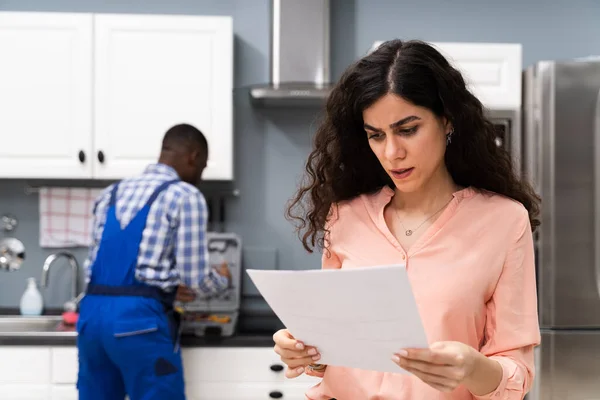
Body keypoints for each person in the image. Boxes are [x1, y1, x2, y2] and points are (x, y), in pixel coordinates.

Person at [273, 39, 541, 400]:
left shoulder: (504, 221)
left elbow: (517, 374)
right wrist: (306, 352)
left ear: (446, 121)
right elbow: (335, 348)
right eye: (376, 136)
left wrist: (474, 368)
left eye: (408, 129)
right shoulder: (345, 216)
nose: (392, 153)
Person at [76, 123, 231, 400]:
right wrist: (222, 280)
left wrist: (169, 284)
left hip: (91, 321)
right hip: (139, 323)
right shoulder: (185, 195)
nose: (200, 176)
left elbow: (106, 268)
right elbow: (195, 277)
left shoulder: (110, 194)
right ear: (193, 157)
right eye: (203, 167)